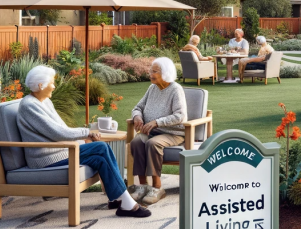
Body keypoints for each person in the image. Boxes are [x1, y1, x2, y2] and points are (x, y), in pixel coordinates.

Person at [17, 65, 150, 218]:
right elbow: (57, 132)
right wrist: (86, 132)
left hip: (60, 150)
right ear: (41, 86)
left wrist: (83, 137)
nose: (54, 87)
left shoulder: (45, 101)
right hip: (44, 158)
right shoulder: (29, 106)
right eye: (52, 83)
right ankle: (126, 203)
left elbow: (61, 128)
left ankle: (117, 198)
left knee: (100, 155)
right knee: (100, 147)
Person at [130, 57, 188, 189]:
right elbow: (137, 107)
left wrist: (157, 122)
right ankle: (142, 185)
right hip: (152, 132)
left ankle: (156, 187)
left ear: (165, 73)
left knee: (152, 143)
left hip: (173, 133)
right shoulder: (152, 88)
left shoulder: (175, 89)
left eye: (154, 71)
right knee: (136, 142)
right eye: (150, 71)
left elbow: (180, 116)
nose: (150, 74)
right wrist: (137, 117)